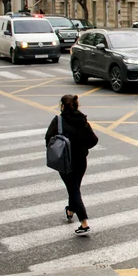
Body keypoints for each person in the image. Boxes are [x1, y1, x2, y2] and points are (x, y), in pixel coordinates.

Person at [45, 95, 98, 236]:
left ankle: (84, 223)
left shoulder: (59, 121)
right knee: (74, 187)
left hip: (65, 161)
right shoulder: (82, 121)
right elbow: (94, 140)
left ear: (62, 106)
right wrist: (81, 147)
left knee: (74, 189)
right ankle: (70, 210)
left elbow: (48, 138)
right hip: (81, 161)